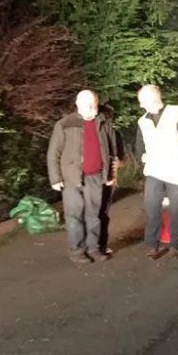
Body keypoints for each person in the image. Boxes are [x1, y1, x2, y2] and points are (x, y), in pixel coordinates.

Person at [47, 90, 118, 264]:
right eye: (86, 104)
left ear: (97, 102)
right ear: (77, 104)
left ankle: (93, 249)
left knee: (94, 215)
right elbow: (53, 153)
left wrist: (110, 174)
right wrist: (55, 178)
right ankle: (77, 251)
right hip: (72, 178)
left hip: (95, 177)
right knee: (74, 215)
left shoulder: (104, 123)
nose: (90, 107)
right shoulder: (64, 124)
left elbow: (112, 150)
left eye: (93, 103)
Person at [135, 84, 178, 259]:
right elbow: (140, 145)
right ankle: (152, 244)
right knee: (151, 207)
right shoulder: (143, 121)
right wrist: (142, 157)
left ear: (152, 99)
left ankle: (175, 244)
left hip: (176, 169)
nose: (140, 106)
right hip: (154, 170)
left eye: (142, 102)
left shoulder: (176, 112)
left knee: (177, 209)